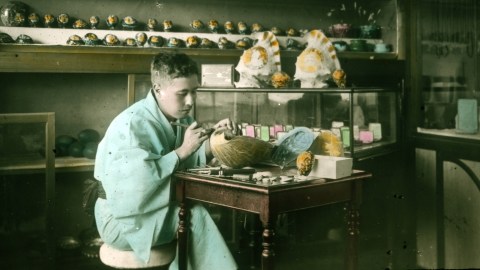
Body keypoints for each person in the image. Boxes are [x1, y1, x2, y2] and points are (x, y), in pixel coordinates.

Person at [94, 52, 238, 269]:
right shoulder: (133, 124)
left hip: (146, 212)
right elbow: (132, 190)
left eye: (194, 92)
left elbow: (191, 159)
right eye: (182, 93)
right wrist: (182, 151)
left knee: (196, 212)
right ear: (158, 89)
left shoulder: (178, 117)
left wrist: (218, 139)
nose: (190, 101)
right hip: (120, 219)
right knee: (194, 216)